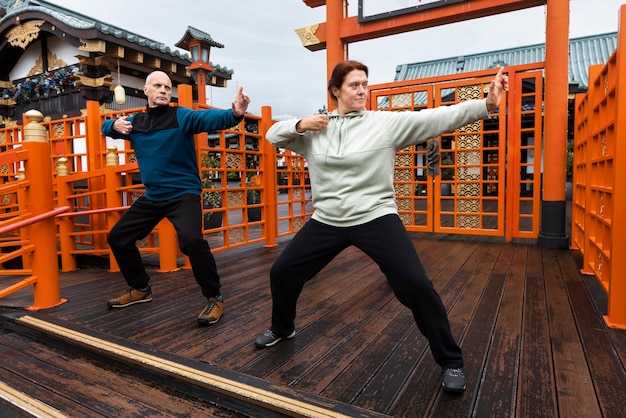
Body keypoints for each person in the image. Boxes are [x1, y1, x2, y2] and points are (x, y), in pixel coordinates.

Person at [255, 60, 508, 393]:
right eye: (354, 85)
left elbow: (435, 118)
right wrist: (301, 124)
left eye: (365, 84)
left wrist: (486, 104)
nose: (362, 90)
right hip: (328, 220)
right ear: (335, 91)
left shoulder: (384, 124)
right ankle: (282, 327)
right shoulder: (318, 129)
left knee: (415, 284)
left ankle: (450, 361)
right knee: (282, 272)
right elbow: (273, 134)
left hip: (375, 216)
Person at [101, 70, 250, 326]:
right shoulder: (136, 122)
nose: (163, 90)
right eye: (157, 86)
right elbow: (107, 128)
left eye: (167, 87)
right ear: (145, 91)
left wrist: (234, 113)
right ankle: (140, 289)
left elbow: (207, 118)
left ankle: (214, 297)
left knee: (192, 241)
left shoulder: (180, 116)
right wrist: (112, 125)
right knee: (118, 238)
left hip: (183, 194)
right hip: (153, 196)